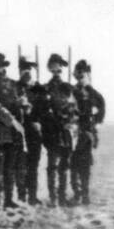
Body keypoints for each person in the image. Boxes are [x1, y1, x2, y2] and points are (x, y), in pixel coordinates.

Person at [0, 53, 27, 209]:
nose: (4, 68)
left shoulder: (15, 85)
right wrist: (12, 120)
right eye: (1, 65)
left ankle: (8, 199)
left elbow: (19, 102)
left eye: (6, 65)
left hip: (13, 133)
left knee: (10, 167)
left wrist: (23, 103)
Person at [41, 54, 78, 207]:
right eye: (55, 67)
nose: (58, 70)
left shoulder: (69, 88)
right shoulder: (45, 88)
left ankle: (62, 196)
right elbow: (43, 112)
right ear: (50, 68)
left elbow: (75, 109)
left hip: (66, 133)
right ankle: (53, 197)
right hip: (52, 132)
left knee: (64, 165)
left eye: (60, 67)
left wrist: (71, 121)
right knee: (52, 165)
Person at [70, 59, 105, 205]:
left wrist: (94, 121)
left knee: (84, 165)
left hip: (87, 133)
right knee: (72, 164)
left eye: (83, 75)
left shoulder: (93, 93)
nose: (80, 78)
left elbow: (101, 108)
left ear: (88, 75)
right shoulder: (72, 91)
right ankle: (76, 192)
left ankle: (84, 194)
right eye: (78, 76)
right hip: (73, 131)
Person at [15, 57, 44, 205]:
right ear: (20, 71)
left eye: (29, 70)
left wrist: (35, 117)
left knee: (33, 164)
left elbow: (43, 107)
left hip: (34, 131)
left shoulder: (38, 88)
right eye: (24, 69)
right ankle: (21, 195)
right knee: (20, 164)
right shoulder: (15, 87)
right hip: (19, 130)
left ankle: (32, 195)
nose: (27, 73)